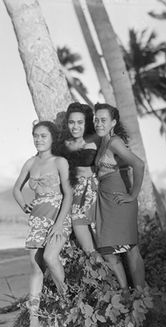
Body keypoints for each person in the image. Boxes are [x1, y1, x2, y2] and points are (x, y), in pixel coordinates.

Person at [13, 121, 72, 327]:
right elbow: (16, 188)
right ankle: (34, 319)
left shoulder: (60, 162)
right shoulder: (30, 163)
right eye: (35, 136)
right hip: (37, 219)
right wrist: (23, 205)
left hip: (58, 216)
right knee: (36, 268)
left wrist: (59, 223)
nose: (38, 140)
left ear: (52, 138)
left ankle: (67, 302)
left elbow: (69, 194)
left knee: (49, 256)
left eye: (43, 136)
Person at [94, 103, 145, 290]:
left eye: (103, 120)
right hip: (108, 202)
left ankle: (140, 296)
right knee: (108, 250)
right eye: (96, 119)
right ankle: (126, 293)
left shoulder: (114, 142)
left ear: (113, 122)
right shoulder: (104, 141)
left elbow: (138, 165)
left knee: (131, 250)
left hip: (120, 201)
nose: (98, 123)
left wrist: (133, 195)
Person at [61, 102, 102, 262]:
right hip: (75, 197)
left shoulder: (97, 140)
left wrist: (91, 170)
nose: (75, 126)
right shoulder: (64, 145)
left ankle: (123, 285)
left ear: (87, 123)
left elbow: (110, 164)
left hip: (95, 194)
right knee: (89, 250)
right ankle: (103, 284)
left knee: (106, 247)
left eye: (80, 122)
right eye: (71, 122)